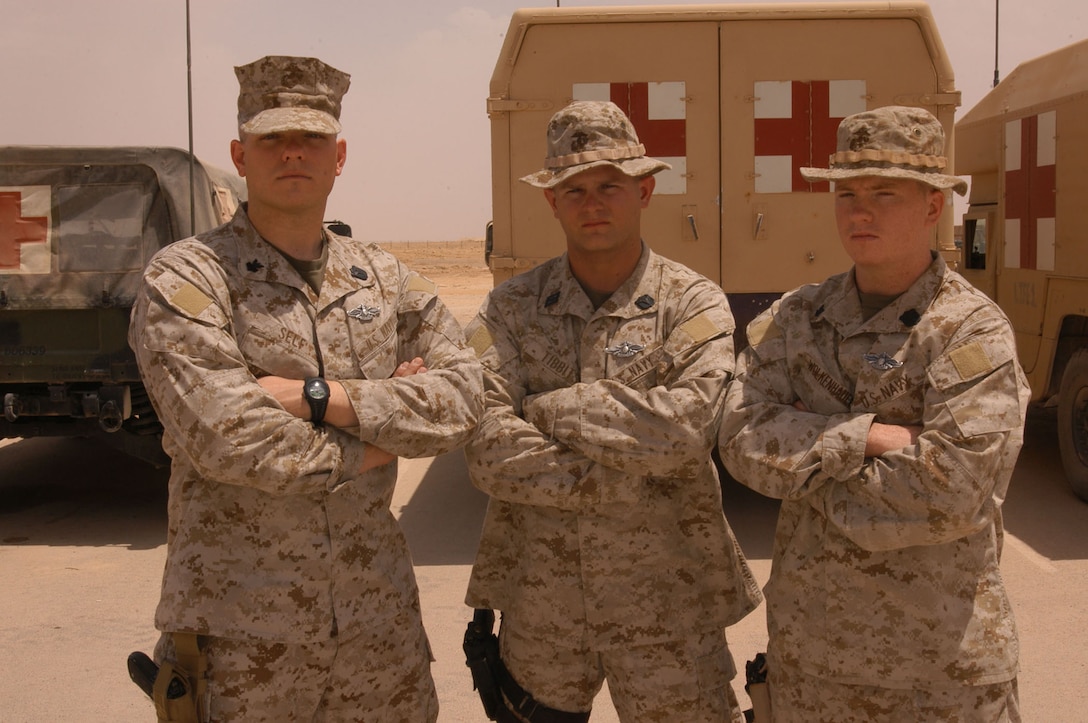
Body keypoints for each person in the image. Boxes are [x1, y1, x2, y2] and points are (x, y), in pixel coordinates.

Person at [129, 55, 482, 721]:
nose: (293, 153)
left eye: (311, 139)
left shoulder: (383, 278)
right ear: (241, 152)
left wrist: (321, 398)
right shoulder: (188, 278)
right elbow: (230, 439)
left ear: (338, 155)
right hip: (243, 642)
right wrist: (381, 441)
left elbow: (467, 398)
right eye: (272, 139)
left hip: (378, 634)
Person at [718, 105, 1030, 721]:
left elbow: (952, 490)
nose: (860, 211)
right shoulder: (795, 318)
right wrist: (869, 438)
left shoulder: (970, 329)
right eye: (848, 192)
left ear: (933, 205)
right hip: (812, 664)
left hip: (941, 673)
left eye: (884, 192)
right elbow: (738, 438)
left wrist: (807, 468)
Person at [462, 100, 761, 723]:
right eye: (574, 189)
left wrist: (548, 409)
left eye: (609, 186)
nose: (591, 203)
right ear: (552, 200)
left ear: (645, 191)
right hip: (543, 609)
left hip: (670, 606)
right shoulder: (509, 309)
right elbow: (488, 448)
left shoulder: (693, 302)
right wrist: (631, 463)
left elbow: (687, 429)